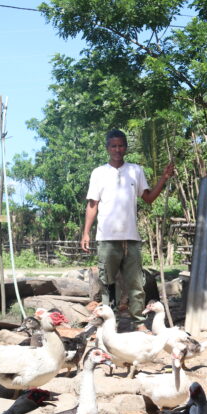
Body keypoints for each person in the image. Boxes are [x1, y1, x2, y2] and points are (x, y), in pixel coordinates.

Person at [80, 129, 174, 330]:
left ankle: (139, 323)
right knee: (108, 283)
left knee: (136, 284)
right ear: (107, 148)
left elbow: (148, 198)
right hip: (107, 237)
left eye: (121, 145)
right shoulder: (98, 173)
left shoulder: (135, 171)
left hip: (131, 238)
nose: (117, 149)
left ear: (126, 148)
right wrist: (86, 232)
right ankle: (109, 324)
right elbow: (92, 204)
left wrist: (164, 178)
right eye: (113, 146)